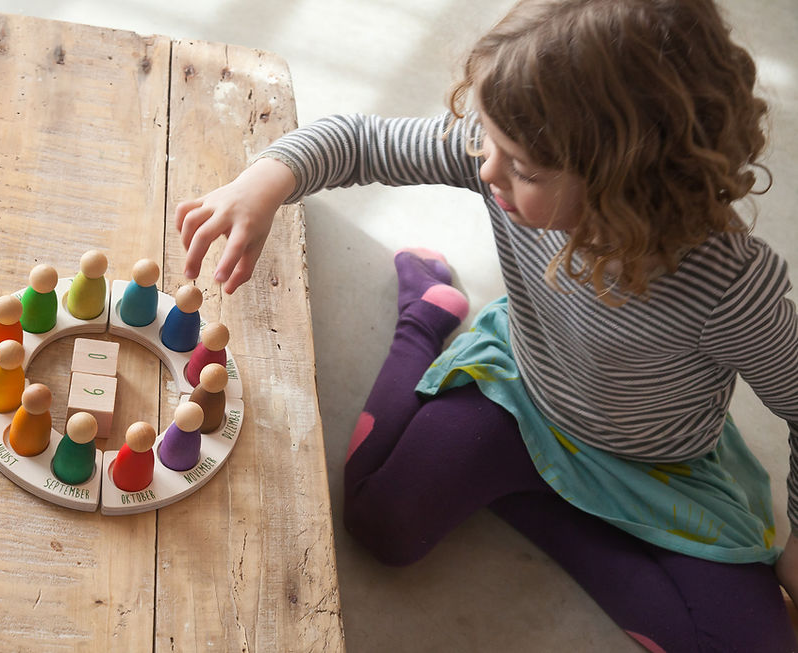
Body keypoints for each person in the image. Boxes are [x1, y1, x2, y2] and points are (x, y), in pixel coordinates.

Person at [175, 0, 798, 649]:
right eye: (491, 143)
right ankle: (426, 315)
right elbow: (361, 140)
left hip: (660, 465)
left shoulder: (730, 286)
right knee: (378, 520)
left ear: (626, 182)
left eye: (522, 168)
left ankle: (546, 495)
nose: (486, 169)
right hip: (518, 396)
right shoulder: (499, 156)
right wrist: (265, 180)